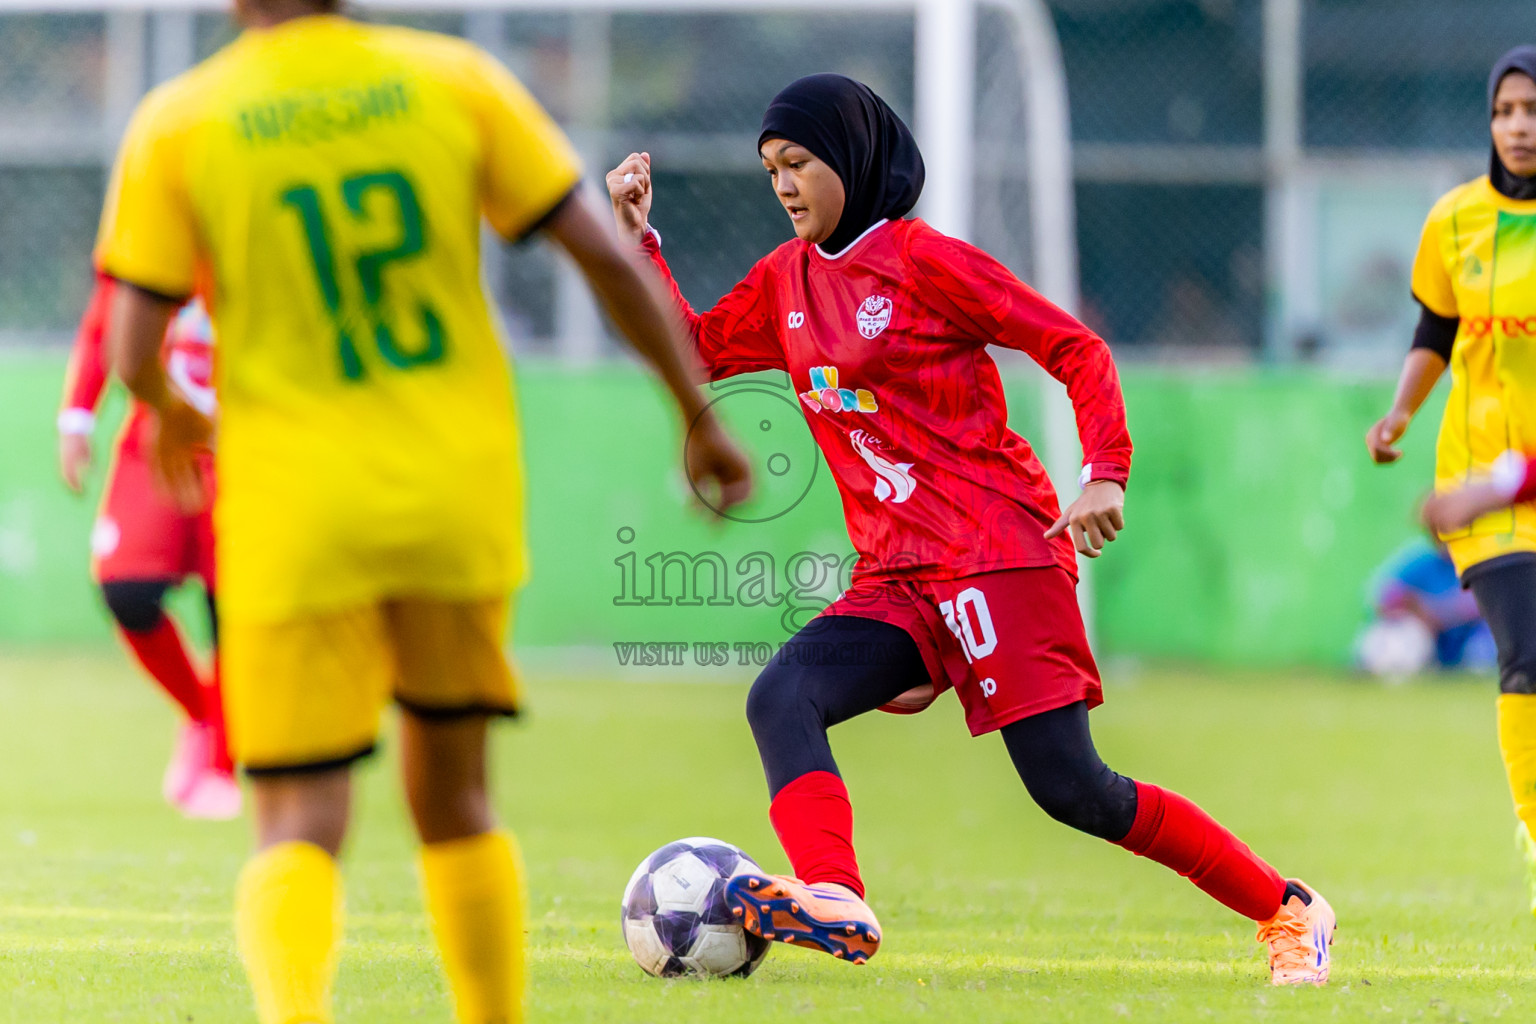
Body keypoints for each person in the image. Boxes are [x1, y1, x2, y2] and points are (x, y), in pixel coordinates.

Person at [94, 0, 751, 1020]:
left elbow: (132, 346)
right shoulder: (455, 80)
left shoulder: (182, 120)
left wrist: (170, 410)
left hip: (295, 507)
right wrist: (694, 412)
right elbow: (601, 256)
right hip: (452, 493)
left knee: (298, 814)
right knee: (455, 797)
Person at [607, 73, 1335, 986]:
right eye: (770, 170)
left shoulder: (925, 262)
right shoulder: (785, 279)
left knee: (1073, 789)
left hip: (998, 553)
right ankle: (836, 895)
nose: (784, 185)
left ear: (853, 159)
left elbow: (1075, 348)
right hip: (898, 577)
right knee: (780, 697)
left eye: (798, 162)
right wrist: (640, 242)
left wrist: (1104, 471)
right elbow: (697, 350)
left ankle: (1289, 908)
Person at [1367, 45, 1536, 916]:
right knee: (1527, 650)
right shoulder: (1456, 220)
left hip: (1513, 480)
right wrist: (1401, 411)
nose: (1519, 126)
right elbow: (1436, 325)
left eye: (1533, 110)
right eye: (1506, 110)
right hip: (1484, 489)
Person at [58, 272, 237, 819]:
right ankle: (202, 715)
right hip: (158, 433)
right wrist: (78, 415)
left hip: (246, 443)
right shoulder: (152, 228)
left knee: (234, 606)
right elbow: (110, 312)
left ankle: (222, 764)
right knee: (128, 591)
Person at [1356, 536, 1496, 679]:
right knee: (1400, 631)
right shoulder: (1424, 561)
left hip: (1470, 638)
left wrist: (1433, 612)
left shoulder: (1483, 562)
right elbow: (1383, 597)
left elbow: (1482, 604)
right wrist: (1416, 609)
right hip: (1433, 641)